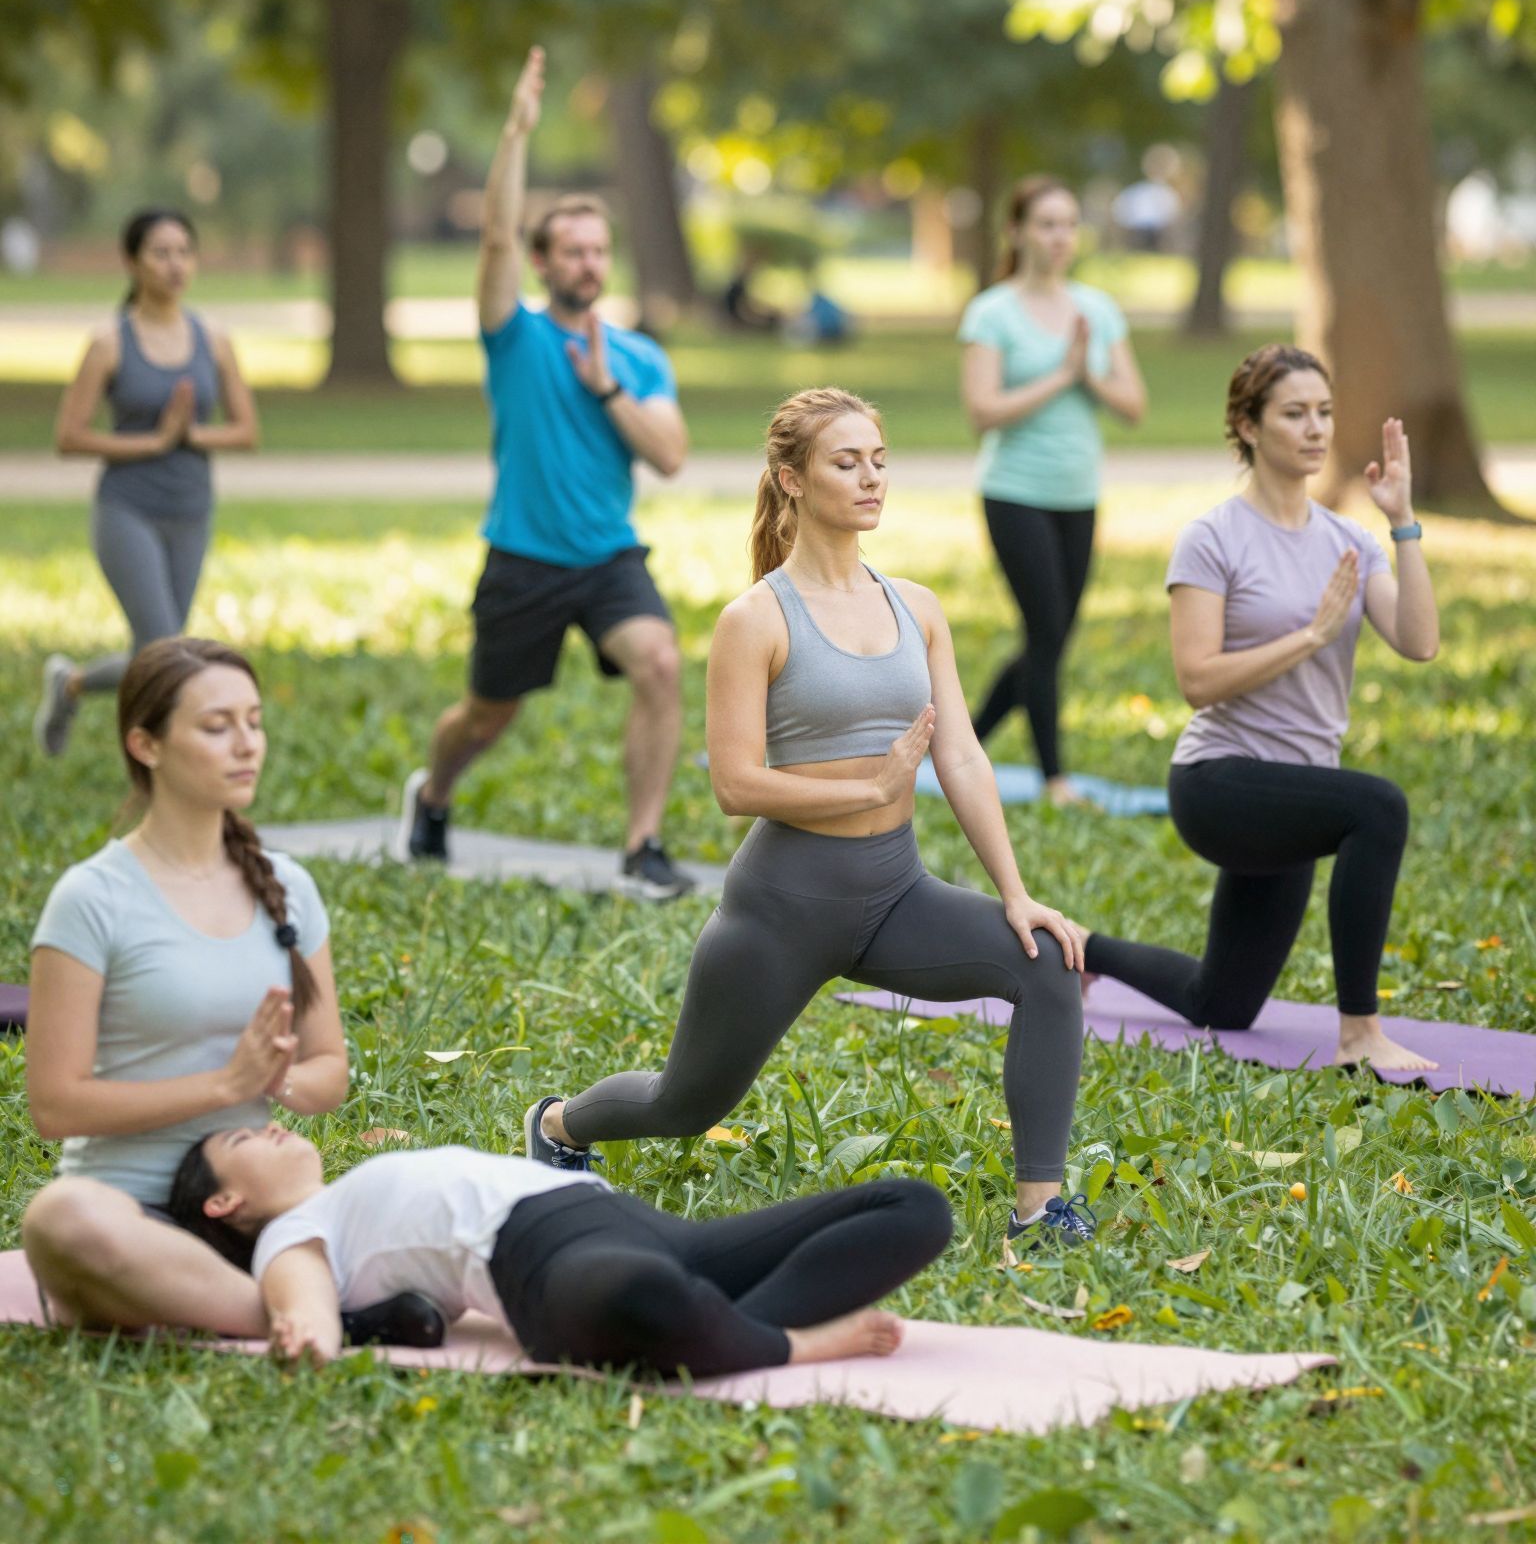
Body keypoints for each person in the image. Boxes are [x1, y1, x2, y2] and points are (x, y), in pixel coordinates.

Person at [525, 388, 1097, 1256]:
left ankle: (1040, 1210)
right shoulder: (754, 619)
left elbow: (965, 759)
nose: (871, 478)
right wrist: (866, 792)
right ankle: (560, 1126)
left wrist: (1016, 895)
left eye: (879, 459)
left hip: (896, 893)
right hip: (783, 907)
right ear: (791, 480)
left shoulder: (917, 606)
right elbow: (735, 784)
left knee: (1047, 961)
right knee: (688, 1104)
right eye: (846, 462)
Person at [1082, 346, 1441, 1073]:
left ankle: (1085, 948)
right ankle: (1360, 1033)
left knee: (1223, 1003)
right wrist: (1307, 636)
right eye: (1294, 414)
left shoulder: (1349, 540)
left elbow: (1419, 640)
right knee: (1378, 807)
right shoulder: (1212, 538)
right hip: (1220, 783)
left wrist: (1403, 525)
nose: (1315, 429)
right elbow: (1198, 679)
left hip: (1296, 796)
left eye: (1325, 413)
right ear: (1248, 426)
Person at [397, 48, 692, 900]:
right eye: (571, 250)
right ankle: (435, 793)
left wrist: (606, 389)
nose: (589, 264)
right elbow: (493, 234)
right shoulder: (514, 337)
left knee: (661, 663)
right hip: (523, 556)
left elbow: (670, 455)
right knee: (487, 716)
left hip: (608, 558)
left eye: (600, 250)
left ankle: (642, 844)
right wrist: (517, 131)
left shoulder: (635, 357)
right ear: (542, 261)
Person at [21, 638, 347, 1337]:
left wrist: (276, 1079)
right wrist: (226, 1087)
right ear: (146, 744)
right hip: (127, 1217)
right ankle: (290, 1313)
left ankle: (264, 1301)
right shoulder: (91, 899)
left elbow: (330, 1073)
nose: (246, 745)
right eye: (216, 726)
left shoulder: (289, 888)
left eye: (254, 722)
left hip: (256, 1215)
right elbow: (54, 1105)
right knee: (58, 1219)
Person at [169, 1127, 953, 1376]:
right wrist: (306, 1334)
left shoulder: (346, 1193)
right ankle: (788, 1344)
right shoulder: (287, 1235)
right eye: (246, 1138)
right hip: (541, 1263)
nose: (271, 1126)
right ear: (223, 1202)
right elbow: (303, 1303)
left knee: (916, 1208)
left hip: (628, 1219)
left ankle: (720, 1333)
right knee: (645, 1294)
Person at [35, 208, 259, 757]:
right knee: (166, 651)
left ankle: (71, 684)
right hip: (127, 508)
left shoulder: (214, 338)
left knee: (158, 654)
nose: (175, 264)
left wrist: (190, 436)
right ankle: (156, 774)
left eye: (184, 251)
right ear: (133, 263)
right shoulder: (110, 342)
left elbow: (247, 429)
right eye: (161, 253)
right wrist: (153, 443)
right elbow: (69, 436)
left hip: (191, 508)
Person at [959, 179, 1146, 805]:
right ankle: (1053, 777)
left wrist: (1085, 374)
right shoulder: (992, 312)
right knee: (1044, 633)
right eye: (1045, 224)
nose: (1060, 237)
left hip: (1079, 493)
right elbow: (983, 410)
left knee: (1053, 638)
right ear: (1016, 232)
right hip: (1014, 491)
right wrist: (1061, 376)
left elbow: (1134, 405)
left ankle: (968, 738)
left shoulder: (1097, 309)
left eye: (1068, 224)